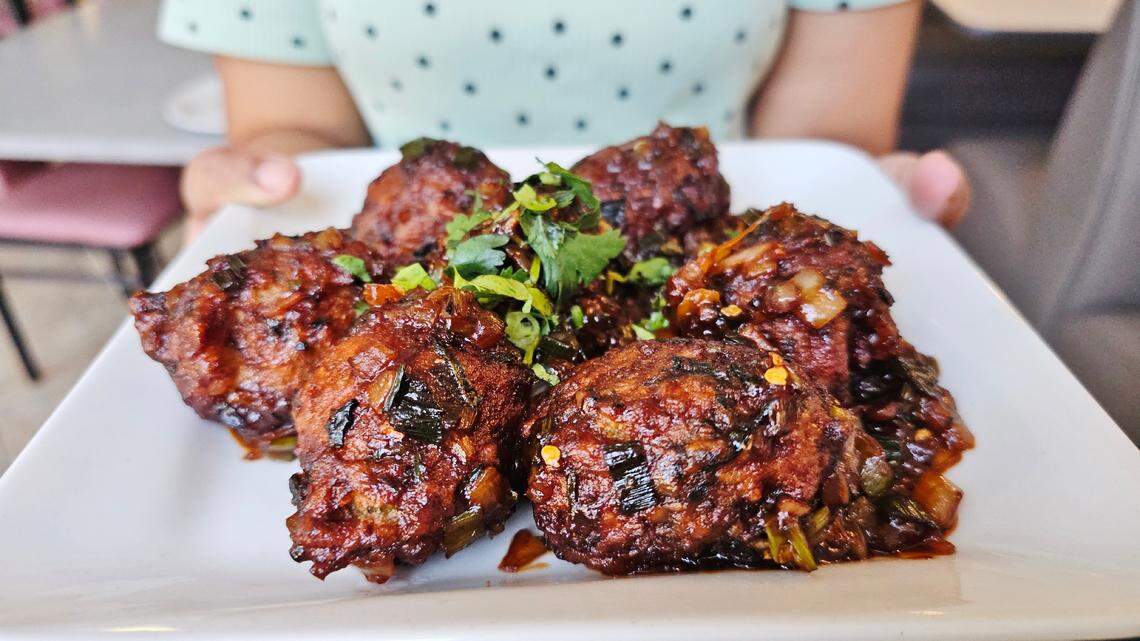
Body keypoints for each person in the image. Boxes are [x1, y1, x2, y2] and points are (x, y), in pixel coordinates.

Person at [160, 0, 970, 240]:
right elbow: (296, 133)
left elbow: (822, 147)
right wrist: (263, 188)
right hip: (389, 267)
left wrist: (843, 204)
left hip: (715, 243)